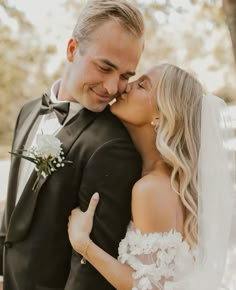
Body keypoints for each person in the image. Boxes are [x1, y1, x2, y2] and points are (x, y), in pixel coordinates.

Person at [0, 1, 145, 289]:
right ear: (71, 49)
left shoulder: (113, 147)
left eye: (126, 76)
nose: (112, 87)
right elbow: (14, 210)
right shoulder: (28, 111)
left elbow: (90, 269)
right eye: (105, 67)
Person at [68, 63, 236, 290]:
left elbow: (151, 286)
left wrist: (83, 244)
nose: (126, 87)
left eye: (142, 85)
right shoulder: (161, 179)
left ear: (160, 114)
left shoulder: (151, 188)